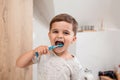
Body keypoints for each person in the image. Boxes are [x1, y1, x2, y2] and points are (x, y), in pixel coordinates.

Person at [16, 13, 84, 80]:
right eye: (55, 31)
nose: (59, 36)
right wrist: (34, 51)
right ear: (49, 35)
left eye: (66, 33)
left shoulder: (75, 65)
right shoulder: (43, 55)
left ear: (73, 39)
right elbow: (19, 64)